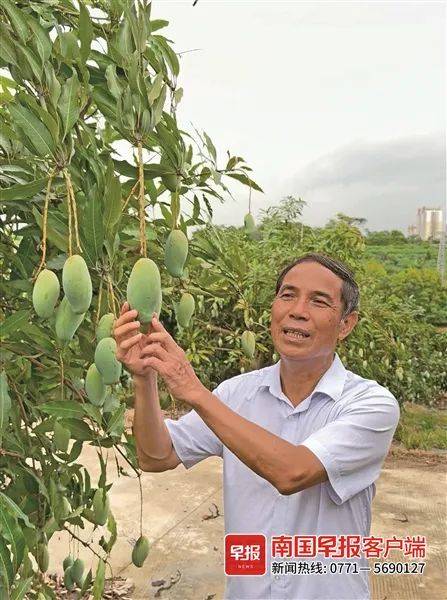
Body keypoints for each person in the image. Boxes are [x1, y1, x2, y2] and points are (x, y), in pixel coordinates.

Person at [113, 252, 400, 600]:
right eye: (288, 295)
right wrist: (144, 379)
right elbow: (156, 456)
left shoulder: (371, 404)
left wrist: (195, 391)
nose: (297, 310)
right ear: (273, 309)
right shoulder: (236, 394)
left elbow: (292, 472)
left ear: (346, 324)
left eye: (318, 301)